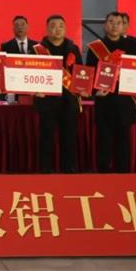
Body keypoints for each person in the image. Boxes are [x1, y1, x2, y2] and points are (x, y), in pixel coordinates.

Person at [86, 11, 136, 173]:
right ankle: (104, 175)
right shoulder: (95, 47)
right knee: (104, 140)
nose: (115, 26)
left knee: (124, 140)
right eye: (111, 22)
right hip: (104, 101)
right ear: (105, 25)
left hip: (125, 99)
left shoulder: (133, 45)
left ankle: (123, 175)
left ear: (124, 26)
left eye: (119, 23)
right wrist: (95, 91)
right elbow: (89, 72)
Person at [31, 15, 83, 173]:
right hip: (46, 101)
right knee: (46, 136)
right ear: (47, 29)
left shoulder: (73, 49)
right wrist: (34, 89)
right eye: (53, 26)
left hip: (69, 101)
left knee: (69, 136)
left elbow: (81, 72)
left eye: (61, 26)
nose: (57, 29)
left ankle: (69, 169)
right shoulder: (37, 50)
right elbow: (29, 74)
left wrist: (82, 88)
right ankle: (46, 169)